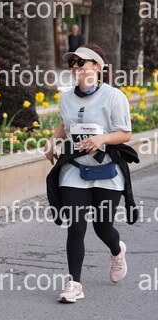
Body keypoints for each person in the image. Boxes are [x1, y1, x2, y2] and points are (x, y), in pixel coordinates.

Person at [44, 43, 139, 303]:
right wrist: (52, 141)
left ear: (97, 66)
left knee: (103, 227)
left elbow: (125, 133)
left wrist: (101, 139)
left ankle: (117, 251)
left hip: (107, 170)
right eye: (72, 63)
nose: (75, 67)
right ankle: (74, 284)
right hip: (74, 169)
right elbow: (65, 124)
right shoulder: (66, 97)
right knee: (76, 226)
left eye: (80, 62)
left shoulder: (114, 96)